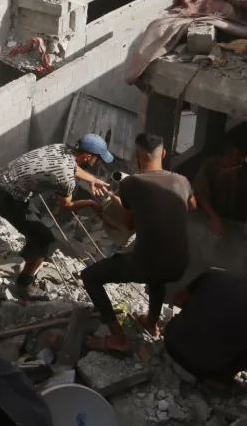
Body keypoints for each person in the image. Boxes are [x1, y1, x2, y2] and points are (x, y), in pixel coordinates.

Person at [83, 132, 196, 353]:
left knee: (90, 276)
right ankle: (151, 324)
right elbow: (192, 205)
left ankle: (118, 339)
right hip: (179, 264)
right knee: (156, 275)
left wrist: (123, 205)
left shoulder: (131, 183)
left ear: (137, 155)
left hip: (148, 263)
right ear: (164, 154)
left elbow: (129, 224)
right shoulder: (181, 180)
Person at [0, 135, 113, 299]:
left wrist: (92, 179)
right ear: (87, 156)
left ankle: (28, 253)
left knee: (36, 222)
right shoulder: (66, 178)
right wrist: (91, 203)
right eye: (97, 158)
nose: (97, 162)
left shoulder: (59, 148)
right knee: (45, 239)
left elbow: (71, 167)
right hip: (6, 199)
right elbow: (66, 206)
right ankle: (24, 285)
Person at [164, 268, 247, 387]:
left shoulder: (214, 274)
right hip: (208, 371)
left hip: (172, 344)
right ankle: (216, 380)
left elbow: (177, 301)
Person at [192, 139, 246, 237]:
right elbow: (200, 194)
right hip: (209, 218)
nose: (241, 159)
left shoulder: (242, 169)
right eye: (238, 155)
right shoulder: (210, 165)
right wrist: (214, 217)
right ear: (229, 154)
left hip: (235, 222)